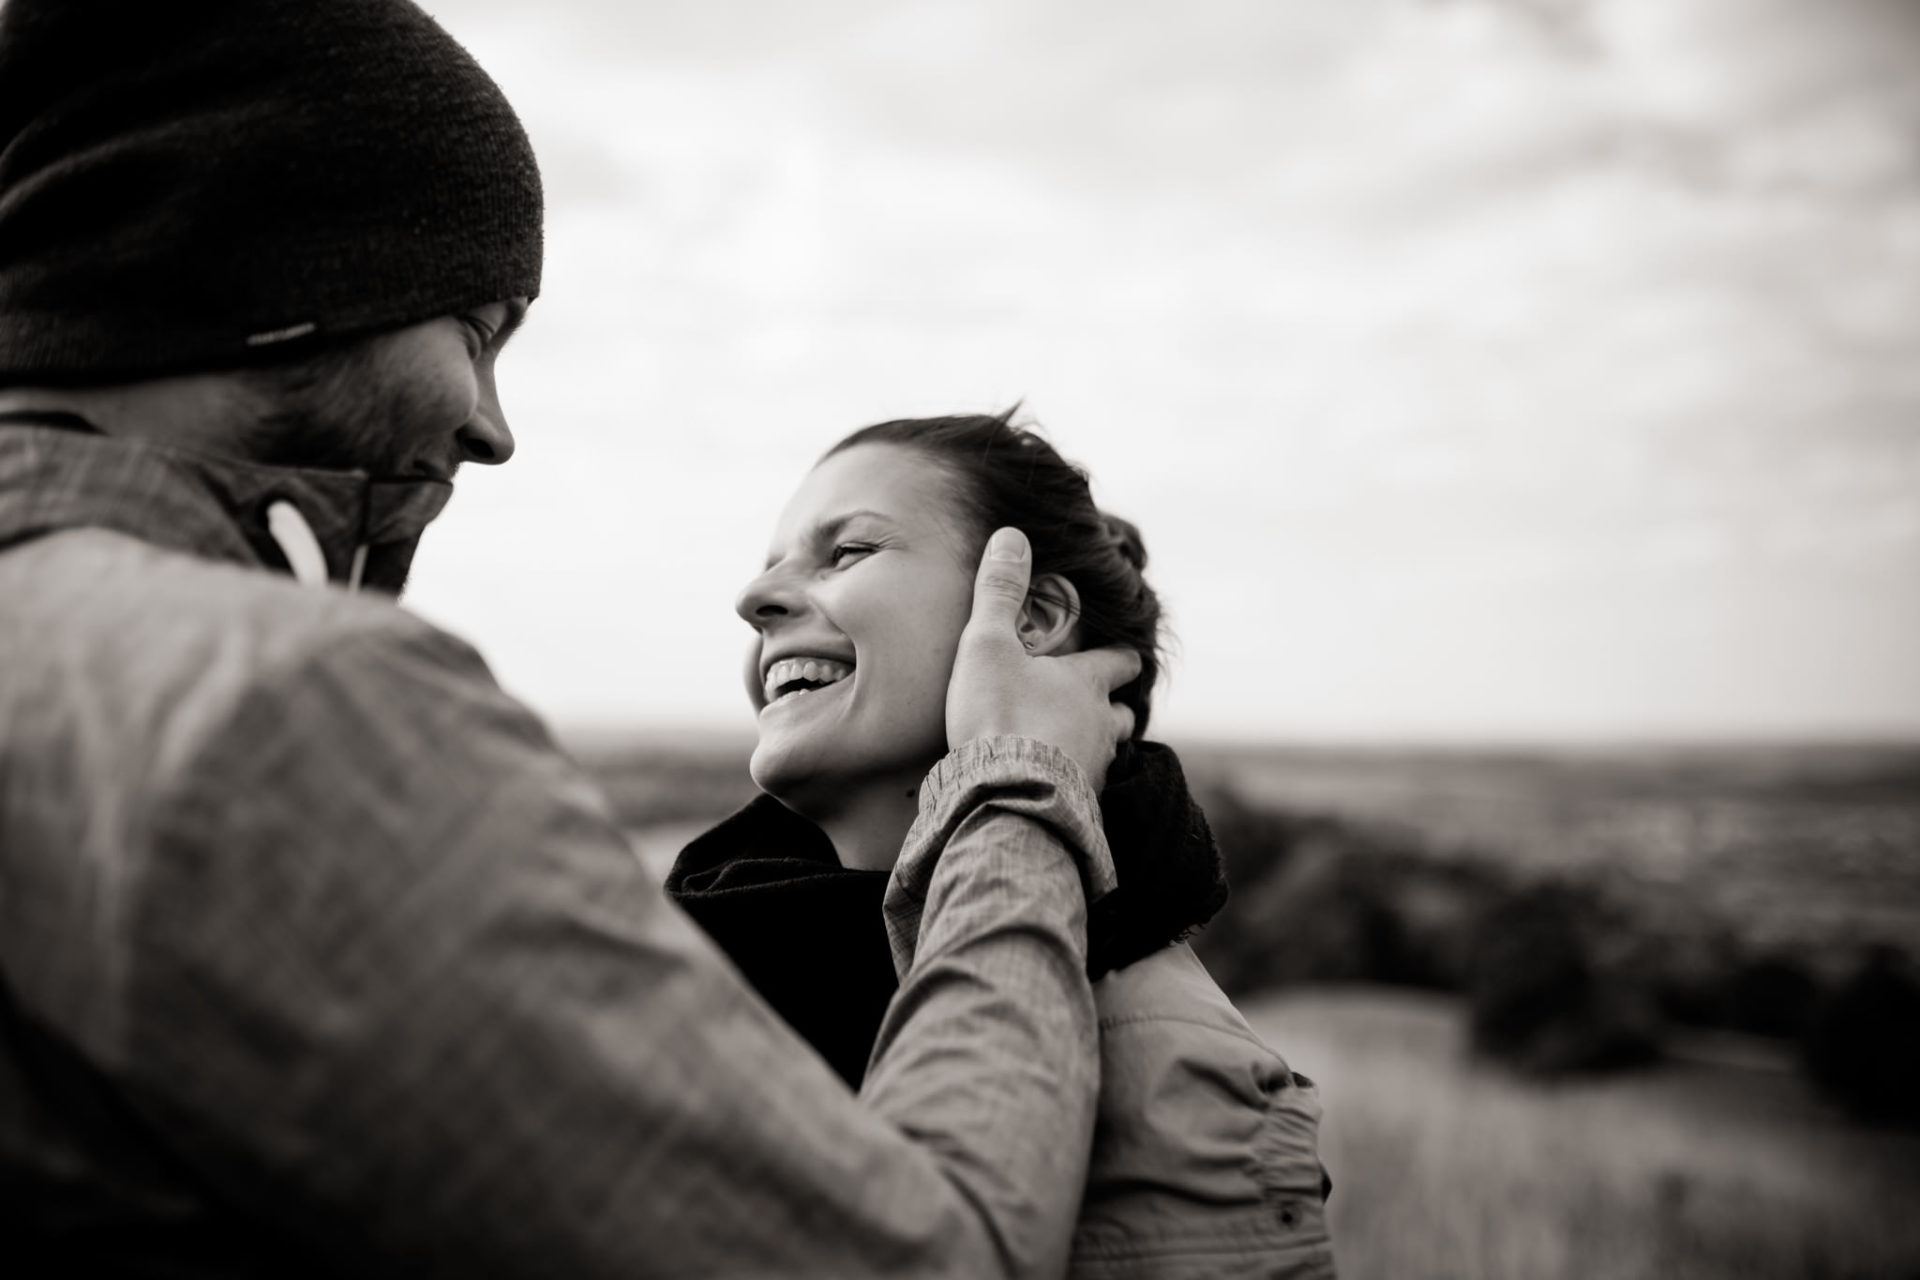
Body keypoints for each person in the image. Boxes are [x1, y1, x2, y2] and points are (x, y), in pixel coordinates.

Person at [0, 3, 1145, 1276]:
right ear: (280, 279)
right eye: (477, 333)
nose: (492, 428)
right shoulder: (286, 706)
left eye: (848, 549)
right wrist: (1017, 794)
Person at [667, 411, 1337, 1278]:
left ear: (1031, 619)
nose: (754, 598)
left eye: (848, 551)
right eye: (773, 564)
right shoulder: (696, 951)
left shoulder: (1168, 1068)